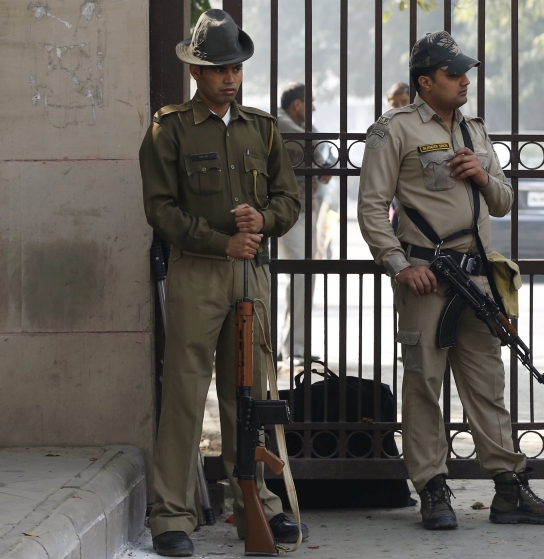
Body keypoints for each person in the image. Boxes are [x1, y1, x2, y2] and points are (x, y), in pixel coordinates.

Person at [358, 31, 544, 530]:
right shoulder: (395, 130)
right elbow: (371, 207)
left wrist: (482, 174)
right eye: (454, 74)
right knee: (424, 385)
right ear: (425, 81)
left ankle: (509, 489)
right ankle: (432, 488)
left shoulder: (474, 130)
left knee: (487, 385)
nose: (465, 81)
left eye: (467, 73)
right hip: (426, 279)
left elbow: (504, 200)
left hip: (476, 280)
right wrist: (398, 265)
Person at [139, 10, 307, 556]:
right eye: (218, 70)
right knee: (185, 395)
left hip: (250, 274)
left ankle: (258, 504)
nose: (229, 78)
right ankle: (171, 515)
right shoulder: (170, 129)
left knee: (251, 398)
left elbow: (289, 200)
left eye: (235, 67)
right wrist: (221, 242)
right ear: (196, 73)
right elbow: (160, 210)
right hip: (197, 271)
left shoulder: (262, 128)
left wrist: (266, 221)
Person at [275, 82, 332, 362]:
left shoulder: (307, 129)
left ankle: (291, 344)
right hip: (286, 212)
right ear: (297, 104)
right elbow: (312, 147)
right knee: (299, 273)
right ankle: (292, 346)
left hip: (304, 210)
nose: (313, 108)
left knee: (302, 275)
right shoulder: (279, 121)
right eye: (309, 103)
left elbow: (321, 158)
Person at [385, 82, 410, 231]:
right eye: (394, 104)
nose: (399, 107)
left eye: (404, 102)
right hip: (394, 199)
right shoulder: (385, 130)